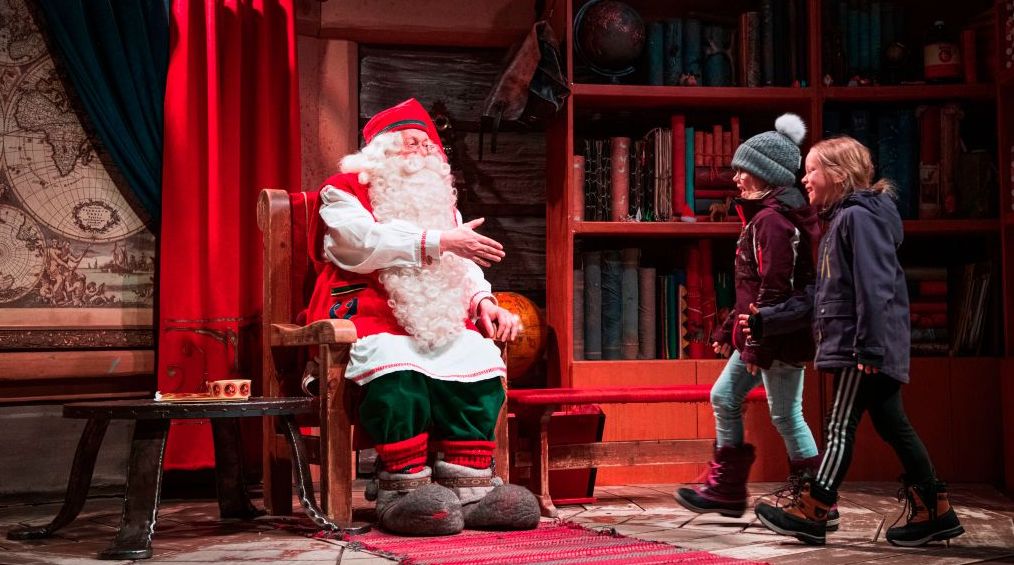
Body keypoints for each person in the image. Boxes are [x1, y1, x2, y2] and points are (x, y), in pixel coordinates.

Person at [304, 98, 539, 536]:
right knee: (398, 376)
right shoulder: (343, 190)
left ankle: (470, 486)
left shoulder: (442, 206)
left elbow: (463, 266)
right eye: (409, 143)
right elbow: (359, 244)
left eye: (427, 145)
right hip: (370, 313)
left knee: (478, 366)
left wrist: (483, 303)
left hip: (439, 319)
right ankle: (403, 488)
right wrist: (437, 240)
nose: (421, 153)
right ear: (380, 152)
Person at [750, 136, 964, 546]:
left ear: (838, 175)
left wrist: (868, 345)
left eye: (812, 170)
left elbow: (875, 285)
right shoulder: (841, 222)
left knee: (839, 425)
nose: (804, 178)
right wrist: (769, 321)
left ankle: (814, 508)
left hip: (859, 348)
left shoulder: (857, 219)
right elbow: (822, 296)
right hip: (864, 345)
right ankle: (935, 510)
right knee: (891, 423)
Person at [675, 114, 835, 528]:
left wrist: (755, 345)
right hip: (762, 335)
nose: (736, 178)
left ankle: (818, 500)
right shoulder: (763, 217)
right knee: (725, 397)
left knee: (785, 415)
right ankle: (728, 489)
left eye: (743, 170)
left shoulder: (773, 222)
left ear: (766, 174)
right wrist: (731, 330)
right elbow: (752, 288)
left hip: (776, 338)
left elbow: (775, 290)